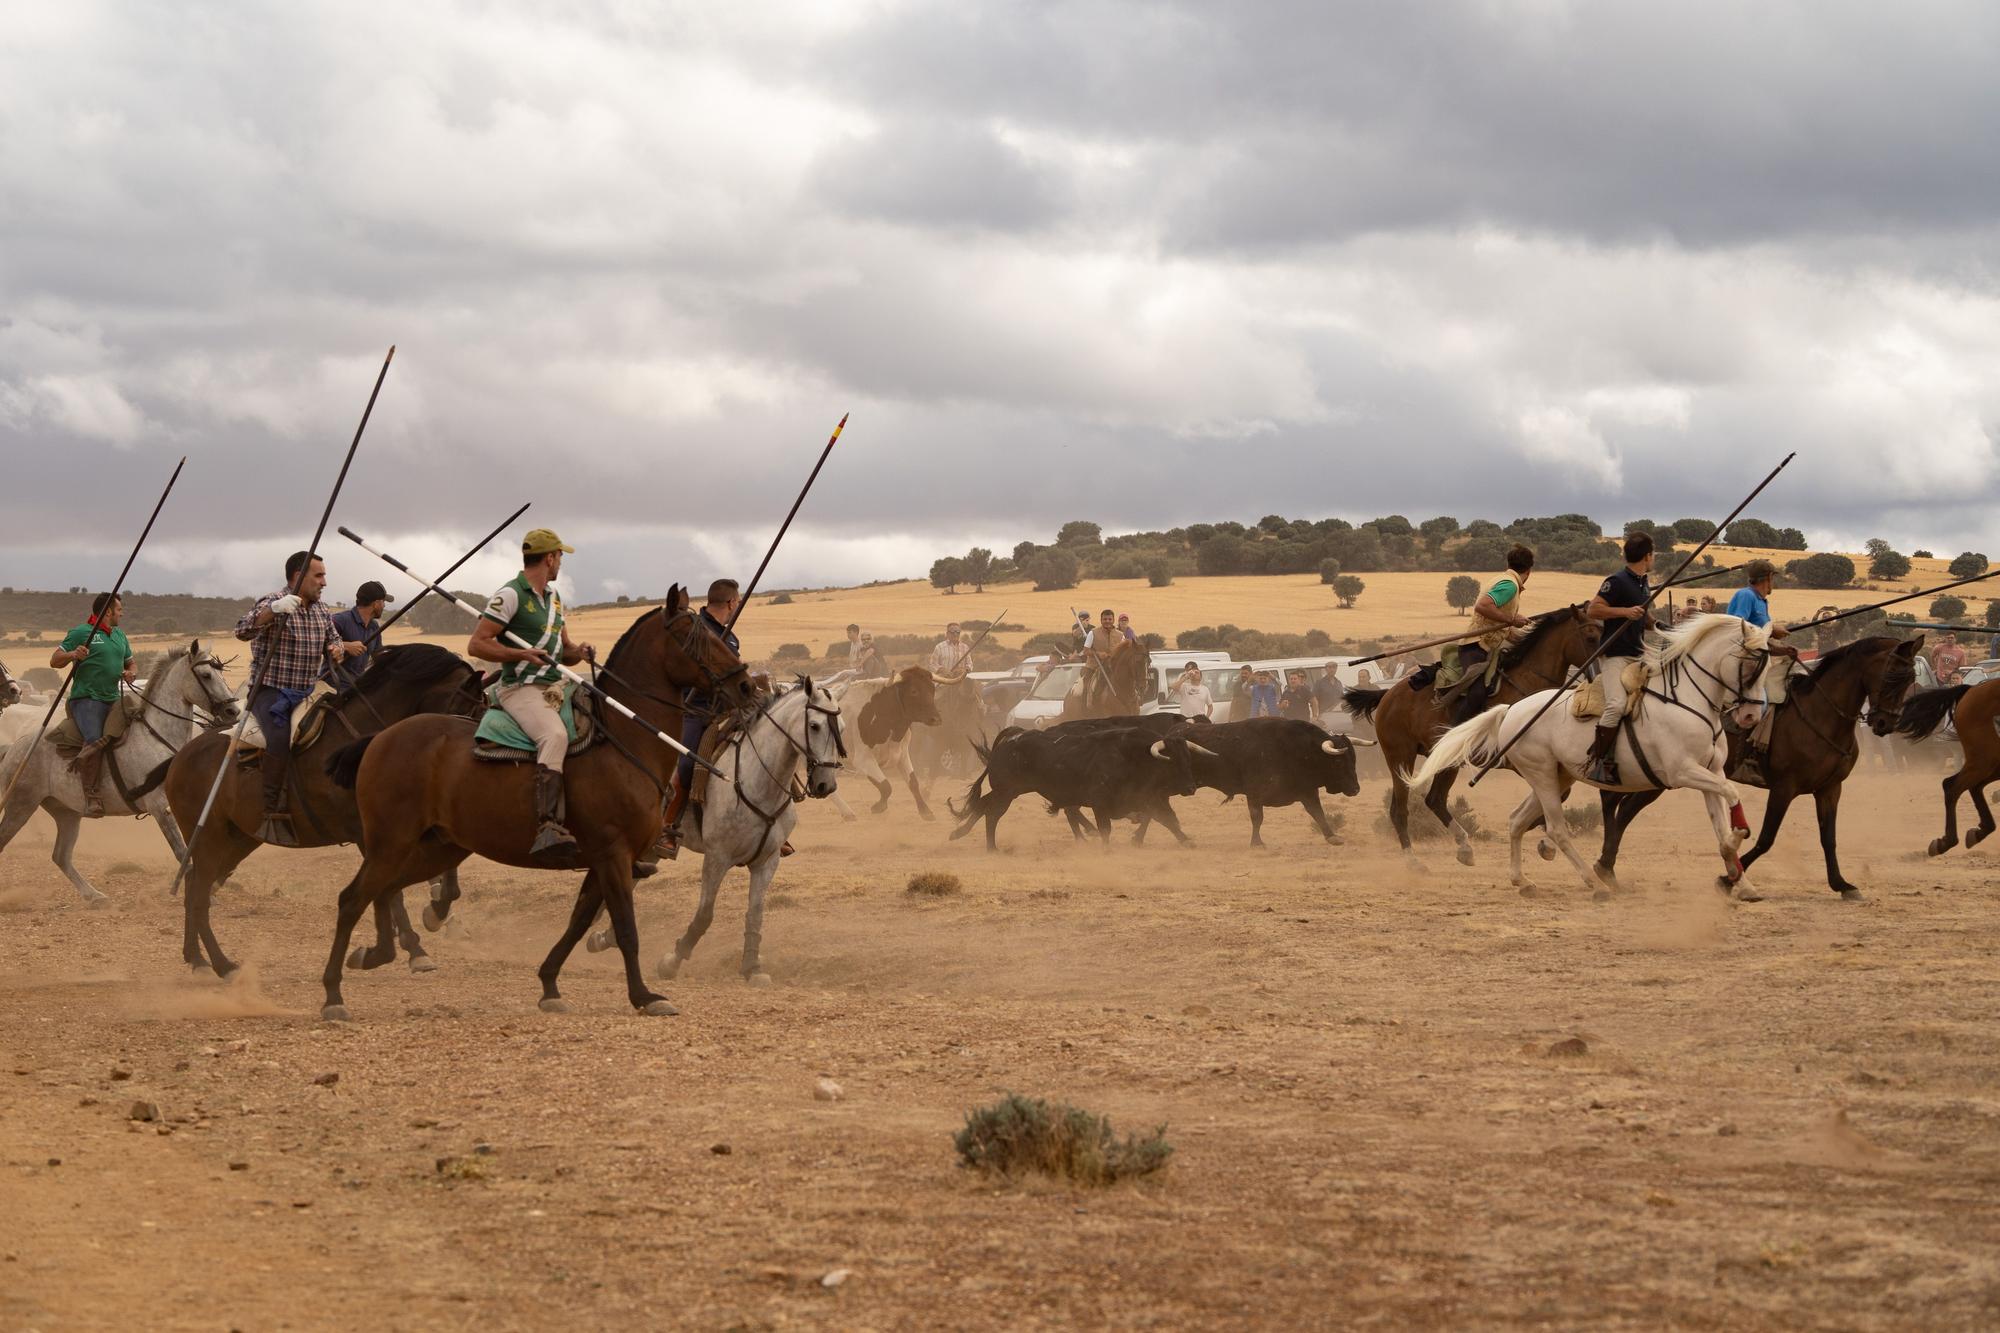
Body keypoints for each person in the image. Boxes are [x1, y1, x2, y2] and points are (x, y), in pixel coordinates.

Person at [466, 530, 594, 862]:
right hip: (521, 689)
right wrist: (520, 655)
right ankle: (547, 825)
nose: (561, 563)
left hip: (557, 686)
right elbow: (477, 644)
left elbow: (564, 652)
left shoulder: (553, 599)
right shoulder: (509, 595)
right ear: (549, 557)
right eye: (560, 557)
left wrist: (579, 651)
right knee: (554, 736)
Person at [237, 551, 367, 845]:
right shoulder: (272, 601)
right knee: (279, 739)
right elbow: (242, 630)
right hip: (271, 691)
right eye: (318, 576)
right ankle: (271, 809)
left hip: (310, 690)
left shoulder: (321, 609)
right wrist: (275, 611)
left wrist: (336, 649)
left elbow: (332, 638)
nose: (324, 582)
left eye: (323, 575)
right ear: (298, 577)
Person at [655, 579, 742, 860]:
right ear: (730, 603)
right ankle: (667, 827)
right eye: (737, 601)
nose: (738, 605)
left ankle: (772, 826)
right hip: (696, 710)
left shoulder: (730, 636)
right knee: (688, 763)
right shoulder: (696, 630)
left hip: (727, 710)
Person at [51, 592, 136, 817]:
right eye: (119, 609)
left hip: (113, 697)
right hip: (87, 699)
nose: (122, 613)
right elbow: (54, 660)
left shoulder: (119, 635)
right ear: (107, 611)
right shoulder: (81, 632)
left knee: (138, 726)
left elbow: (131, 663)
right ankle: (91, 794)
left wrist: (130, 673)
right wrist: (72, 654)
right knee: (94, 739)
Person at [1584, 532, 1656, 785]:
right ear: (1647, 556)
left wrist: (1656, 624)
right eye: (1652, 554)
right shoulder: (1617, 581)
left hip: (1638, 653)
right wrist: (1625, 612)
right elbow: (1593, 609)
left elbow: (1642, 614)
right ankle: (1598, 762)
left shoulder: (1643, 583)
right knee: (1616, 705)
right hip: (1615, 656)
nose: (1653, 558)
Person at [1724, 559, 1795, 782]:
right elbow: (1737, 628)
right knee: (1761, 704)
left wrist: (1779, 644)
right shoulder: (1746, 596)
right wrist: (1772, 631)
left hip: (1759, 664)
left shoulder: (1761, 602)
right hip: (1743, 666)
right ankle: (1747, 758)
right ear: (1768, 578)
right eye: (1773, 578)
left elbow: (1759, 639)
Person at [327, 580, 393, 685]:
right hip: (332, 686)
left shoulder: (374, 627)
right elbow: (316, 641)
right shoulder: (340, 620)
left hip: (356, 688)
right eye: (383, 601)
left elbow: (378, 655)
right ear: (376, 604)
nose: (384, 606)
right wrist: (345, 646)